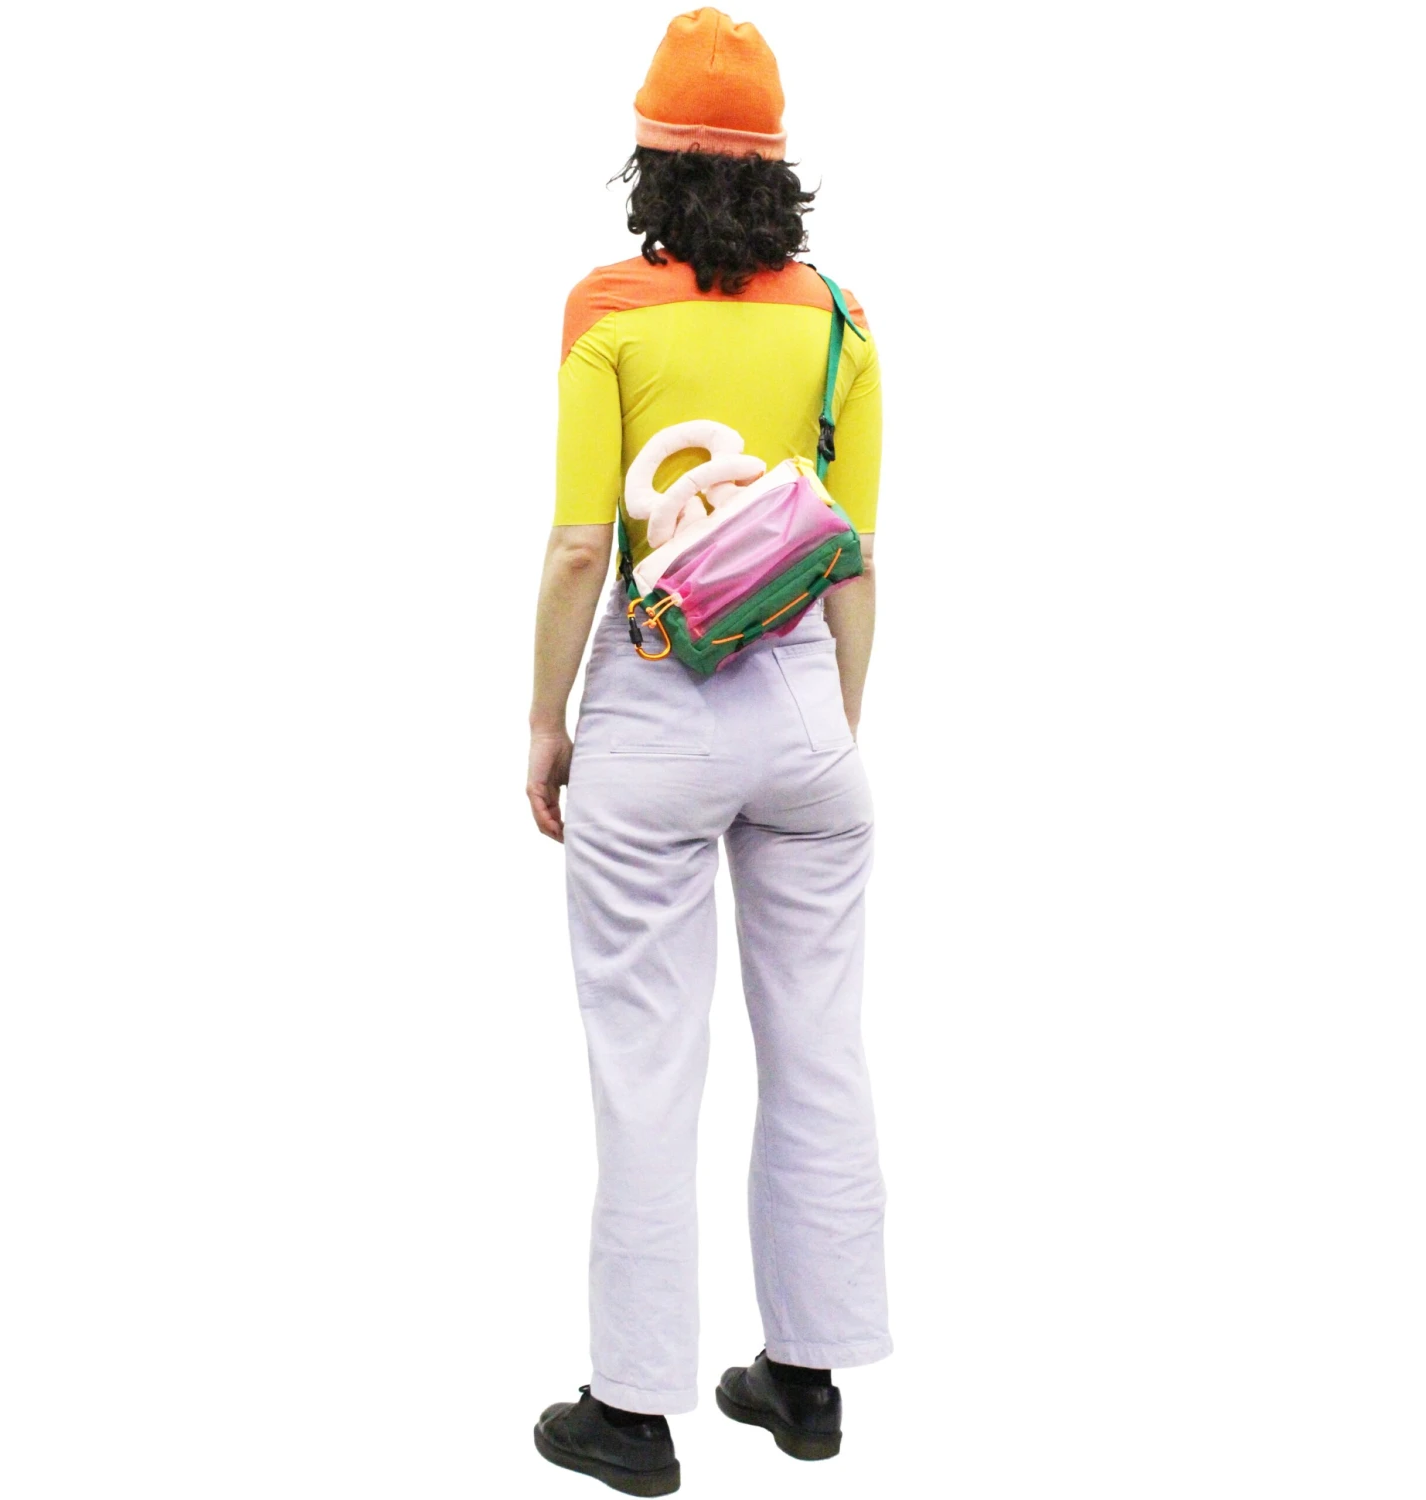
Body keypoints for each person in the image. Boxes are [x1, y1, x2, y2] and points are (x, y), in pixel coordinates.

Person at [526, 10, 890, 1493]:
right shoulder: (843, 322)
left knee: (647, 1061)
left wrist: (546, 722)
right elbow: (855, 559)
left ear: (653, 161)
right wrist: (826, 732)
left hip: (654, 697)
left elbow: (578, 547)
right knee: (820, 1047)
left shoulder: (607, 305)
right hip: (804, 697)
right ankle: (806, 1380)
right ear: (777, 167)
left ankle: (632, 1412)